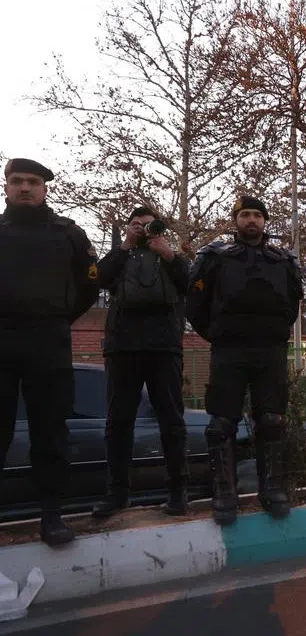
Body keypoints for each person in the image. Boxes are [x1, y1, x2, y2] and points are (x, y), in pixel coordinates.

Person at [0, 158, 99, 546]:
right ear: (6, 187)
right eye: (17, 181)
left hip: (48, 340)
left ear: (45, 188)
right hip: (1, 339)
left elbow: (90, 284)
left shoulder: (69, 234)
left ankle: (52, 514)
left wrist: (58, 317)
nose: (25, 187)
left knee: (50, 429)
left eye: (34, 181)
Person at [187, 195, 302, 525]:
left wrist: (277, 332)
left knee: (272, 420)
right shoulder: (214, 257)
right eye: (245, 215)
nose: (251, 220)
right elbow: (194, 301)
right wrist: (218, 333)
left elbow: (293, 300)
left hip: (270, 350)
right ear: (235, 220)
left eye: (257, 215)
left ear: (265, 221)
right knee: (221, 424)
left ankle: (273, 489)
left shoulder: (283, 260)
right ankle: (225, 494)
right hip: (229, 350)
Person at [92, 206, 190, 519]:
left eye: (150, 226)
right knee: (118, 423)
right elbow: (97, 278)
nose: (144, 231)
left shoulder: (169, 255)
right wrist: (124, 246)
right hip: (123, 347)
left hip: (164, 347)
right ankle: (117, 495)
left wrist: (169, 254)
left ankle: (178, 493)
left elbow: (192, 283)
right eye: (137, 225)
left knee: (172, 422)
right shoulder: (121, 256)